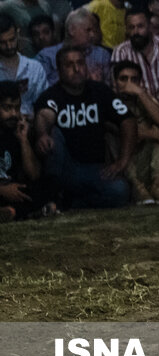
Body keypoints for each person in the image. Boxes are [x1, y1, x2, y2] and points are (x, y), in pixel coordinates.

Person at [33, 45, 135, 209]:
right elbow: (45, 115)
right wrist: (42, 134)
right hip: (65, 168)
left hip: (95, 169)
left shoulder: (100, 91)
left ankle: (73, 203)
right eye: (69, 65)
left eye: (80, 63)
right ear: (59, 70)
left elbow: (128, 120)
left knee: (120, 191)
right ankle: (52, 196)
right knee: (54, 133)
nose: (76, 68)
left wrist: (122, 161)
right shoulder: (51, 95)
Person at [111, 60, 159, 204]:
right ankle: (137, 188)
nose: (129, 84)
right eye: (123, 79)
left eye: (134, 80)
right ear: (115, 82)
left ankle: (156, 186)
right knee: (119, 141)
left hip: (147, 164)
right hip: (124, 169)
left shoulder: (145, 99)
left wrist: (140, 93)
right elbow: (127, 136)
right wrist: (151, 133)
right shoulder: (110, 102)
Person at [0, 80, 56, 220]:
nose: (14, 114)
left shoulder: (14, 133)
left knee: (46, 186)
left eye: (17, 108)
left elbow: (34, 174)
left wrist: (24, 140)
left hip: (12, 189)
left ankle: (11, 212)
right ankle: (22, 213)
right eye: (7, 108)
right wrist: (2, 190)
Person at [111, 9, 159, 97]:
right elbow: (117, 87)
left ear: (149, 26)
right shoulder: (121, 52)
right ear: (126, 30)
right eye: (131, 27)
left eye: (140, 26)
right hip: (137, 105)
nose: (136, 32)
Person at [37, 8, 110, 85]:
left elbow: (110, 86)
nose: (92, 35)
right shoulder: (46, 57)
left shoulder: (102, 55)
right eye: (88, 30)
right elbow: (42, 88)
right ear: (71, 30)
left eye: (93, 31)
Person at [0, 14, 46, 115]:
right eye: (2, 43)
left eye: (12, 40)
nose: (9, 46)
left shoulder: (35, 68)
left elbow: (43, 103)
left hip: (32, 124)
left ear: (17, 34)